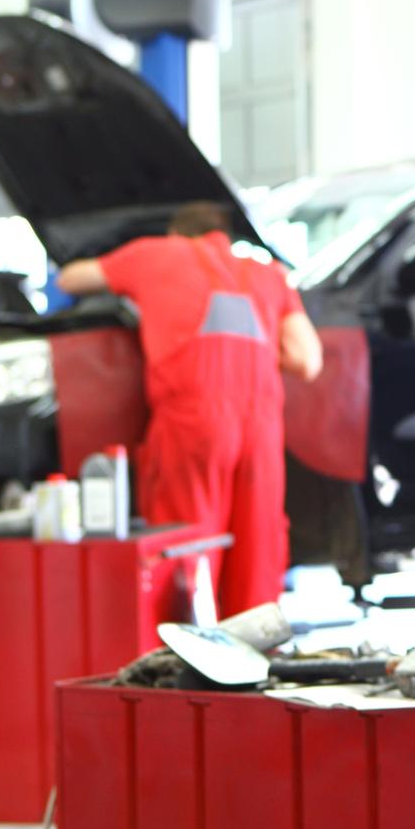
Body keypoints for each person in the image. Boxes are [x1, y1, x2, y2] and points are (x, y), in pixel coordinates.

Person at [57, 201, 324, 617]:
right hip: (261, 427)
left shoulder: (154, 254)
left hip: (193, 421)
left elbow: (71, 279)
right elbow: (308, 360)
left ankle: (185, 658)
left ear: (177, 234)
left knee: (188, 545)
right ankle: (254, 659)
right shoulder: (269, 275)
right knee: (257, 543)